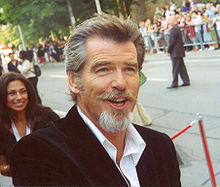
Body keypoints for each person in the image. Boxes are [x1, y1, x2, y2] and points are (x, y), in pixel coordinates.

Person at [10, 14, 181, 186]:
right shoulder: (39, 154)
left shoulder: (161, 147)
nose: (120, 83)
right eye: (104, 69)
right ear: (74, 81)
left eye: (129, 69)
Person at [0, 72, 60, 177]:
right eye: (12, 93)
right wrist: (14, 167)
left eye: (23, 92)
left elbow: (67, 146)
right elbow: (2, 166)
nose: (19, 97)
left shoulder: (46, 116)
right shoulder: (1, 126)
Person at [167, 15, 190, 89]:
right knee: (181, 67)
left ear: (174, 21)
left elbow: (172, 41)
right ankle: (186, 81)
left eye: (170, 20)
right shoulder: (177, 28)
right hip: (179, 51)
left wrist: (168, 50)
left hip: (175, 52)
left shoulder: (174, 29)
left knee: (175, 68)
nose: (168, 22)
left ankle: (175, 83)